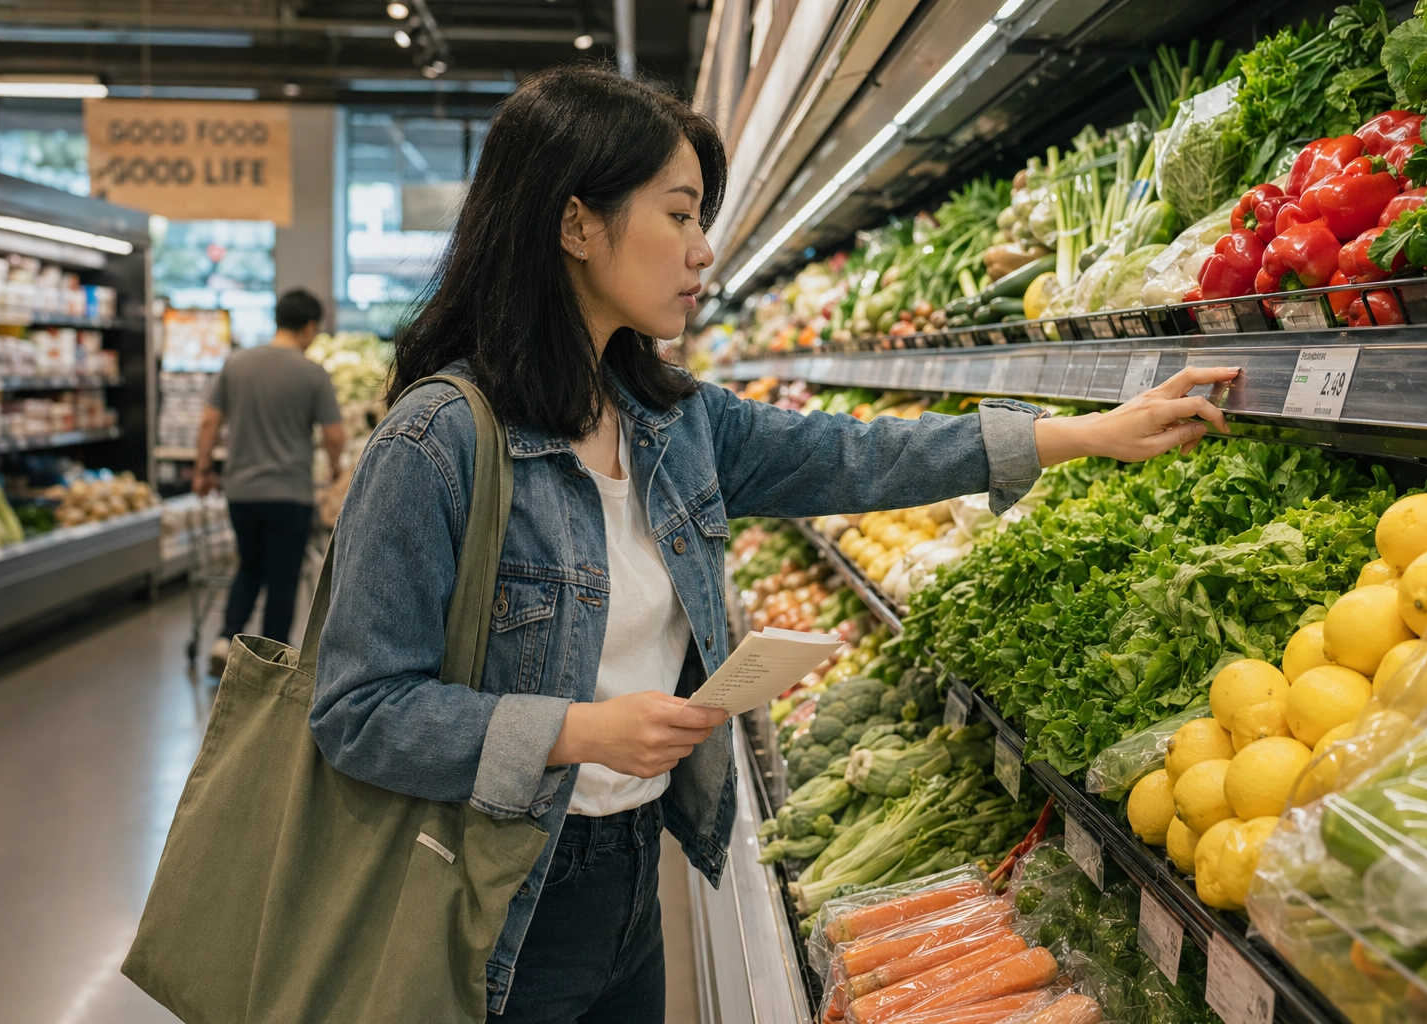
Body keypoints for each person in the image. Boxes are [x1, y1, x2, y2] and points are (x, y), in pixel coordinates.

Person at [311, 65, 1234, 1024]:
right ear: (575, 224)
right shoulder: (439, 441)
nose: (703, 252)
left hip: (632, 873)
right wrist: (580, 731)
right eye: (679, 216)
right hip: (494, 898)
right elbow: (358, 710)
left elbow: (858, 456)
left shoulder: (668, 423)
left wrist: (1084, 433)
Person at [195, 288, 345, 675]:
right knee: (283, 577)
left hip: (241, 491)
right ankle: (269, 664)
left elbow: (210, 420)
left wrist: (202, 469)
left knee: (249, 565)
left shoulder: (237, 363)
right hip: (289, 494)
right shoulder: (312, 373)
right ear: (310, 326)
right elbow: (333, 433)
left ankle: (225, 639)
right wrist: (334, 466)